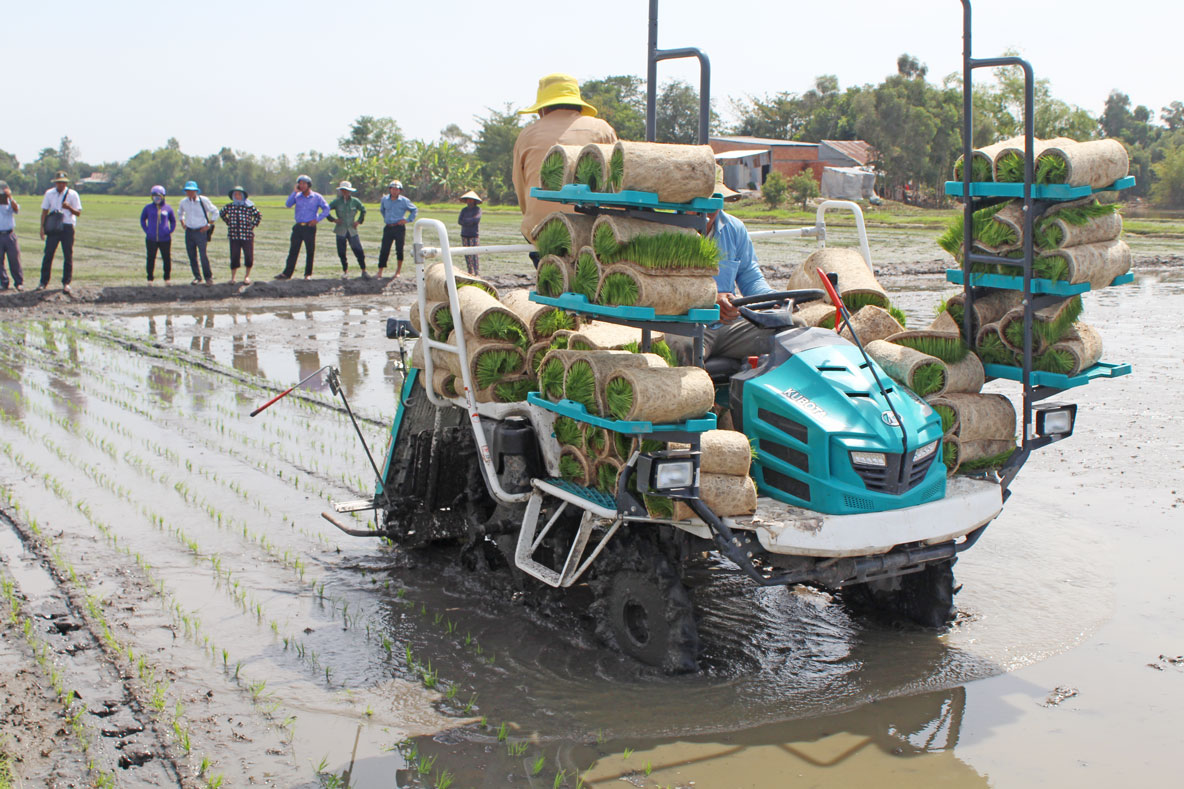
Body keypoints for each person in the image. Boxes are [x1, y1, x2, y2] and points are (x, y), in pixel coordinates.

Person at [667, 169, 775, 367]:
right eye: (701, 200)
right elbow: (662, 288)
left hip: (728, 325)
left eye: (714, 200)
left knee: (791, 329)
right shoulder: (665, 230)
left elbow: (750, 276)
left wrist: (771, 299)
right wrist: (708, 299)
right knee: (684, 346)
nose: (708, 209)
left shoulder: (735, 229)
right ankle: (700, 397)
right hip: (685, 323)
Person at [512, 73, 617, 252]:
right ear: (578, 105)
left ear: (542, 109)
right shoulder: (602, 129)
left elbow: (521, 188)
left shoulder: (527, 134)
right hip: (592, 230)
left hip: (539, 231)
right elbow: (616, 182)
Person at [277, 174, 329, 280]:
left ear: (309, 185)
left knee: (310, 251)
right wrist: (294, 192)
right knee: (293, 250)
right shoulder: (297, 196)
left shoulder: (316, 197)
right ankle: (287, 273)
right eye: (300, 184)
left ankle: (308, 274)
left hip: (309, 227)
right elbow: (288, 204)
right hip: (298, 227)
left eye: (304, 184)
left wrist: (317, 220)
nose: (302, 186)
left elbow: (326, 209)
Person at [37, 171, 82, 292]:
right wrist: (42, 227)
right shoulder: (49, 194)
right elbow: (45, 211)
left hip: (67, 226)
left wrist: (69, 207)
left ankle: (66, 282)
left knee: (68, 254)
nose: (61, 185)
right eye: (59, 183)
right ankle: (43, 281)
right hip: (54, 227)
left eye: (63, 183)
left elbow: (78, 213)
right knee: (48, 254)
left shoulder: (73, 194)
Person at [177, 180, 218, 285]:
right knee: (191, 255)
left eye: (192, 191)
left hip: (201, 231)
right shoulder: (183, 202)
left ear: (196, 191)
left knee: (203, 255)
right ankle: (197, 277)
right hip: (189, 231)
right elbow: (180, 213)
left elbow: (215, 212)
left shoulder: (204, 200)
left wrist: (209, 225)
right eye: (188, 191)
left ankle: (208, 277)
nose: (190, 193)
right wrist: (182, 223)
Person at [219, 185, 262, 284]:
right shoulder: (229, 206)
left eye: (239, 194)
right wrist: (228, 222)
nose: (237, 196)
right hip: (234, 235)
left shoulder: (249, 207)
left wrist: (252, 225)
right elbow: (221, 213)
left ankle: (247, 276)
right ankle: (233, 277)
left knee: (248, 256)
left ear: (243, 195)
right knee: (234, 256)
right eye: (235, 194)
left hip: (247, 235)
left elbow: (258, 216)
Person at [327, 181, 368, 278]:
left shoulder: (355, 201)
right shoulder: (337, 202)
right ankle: (345, 271)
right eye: (343, 190)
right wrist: (333, 220)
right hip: (340, 230)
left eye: (347, 190)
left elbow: (363, 210)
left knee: (358, 250)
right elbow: (326, 210)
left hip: (352, 229)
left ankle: (363, 270)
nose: (345, 192)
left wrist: (359, 221)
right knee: (341, 251)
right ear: (341, 191)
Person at [378, 180, 416, 278]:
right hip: (388, 227)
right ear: (390, 189)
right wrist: (387, 219)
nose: (395, 191)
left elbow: (414, 209)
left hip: (399, 228)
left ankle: (398, 271)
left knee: (399, 249)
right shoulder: (384, 200)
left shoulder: (404, 201)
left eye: (397, 189)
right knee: (384, 249)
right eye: (393, 189)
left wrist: (407, 220)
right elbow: (382, 210)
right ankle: (380, 271)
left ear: (400, 191)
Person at [139, 185, 176, 284]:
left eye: (159, 196)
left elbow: (173, 221)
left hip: (165, 239)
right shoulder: (148, 208)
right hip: (151, 238)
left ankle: (167, 278)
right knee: (150, 258)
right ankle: (150, 279)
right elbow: (142, 219)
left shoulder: (168, 208)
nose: (157, 198)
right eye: (154, 196)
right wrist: (147, 230)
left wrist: (169, 231)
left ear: (163, 196)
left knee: (166, 258)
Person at [0, 181, 23, 291]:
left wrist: (10, 197)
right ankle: (3, 282)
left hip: (9, 234)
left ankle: (18, 282)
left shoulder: (10, 203)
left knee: (14, 259)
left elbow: (16, 209)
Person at [457, 190, 482, 275]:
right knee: (467, 254)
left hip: (473, 235)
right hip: (464, 234)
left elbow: (476, 219)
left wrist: (467, 221)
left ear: (474, 201)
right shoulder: (464, 210)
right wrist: (469, 221)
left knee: (474, 254)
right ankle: (470, 271)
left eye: (471, 200)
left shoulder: (477, 210)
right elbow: (460, 221)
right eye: (468, 200)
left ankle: (476, 272)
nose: (469, 201)